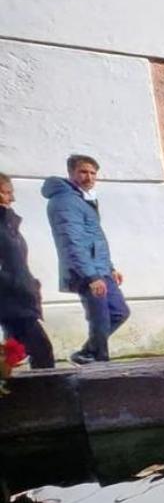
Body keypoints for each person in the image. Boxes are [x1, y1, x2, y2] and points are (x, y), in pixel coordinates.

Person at [42, 154, 129, 364]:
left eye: (92, 173)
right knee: (99, 319)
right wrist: (91, 276)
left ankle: (87, 352)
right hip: (87, 272)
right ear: (71, 173)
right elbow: (72, 243)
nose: (89, 177)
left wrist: (110, 267)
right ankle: (100, 364)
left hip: (101, 269)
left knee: (119, 311)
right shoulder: (65, 201)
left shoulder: (83, 199)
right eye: (83, 172)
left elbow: (94, 239)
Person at [0, 174, 55, 370]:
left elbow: (17, 261)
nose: (11, 198)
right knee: (41, 351)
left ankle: (17, 398)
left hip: (20, 298)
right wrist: (16, 283)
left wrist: (30, 283)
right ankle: (46, 398)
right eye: (5, 193)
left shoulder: (8, 223)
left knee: (10, 358)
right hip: (11, 301)